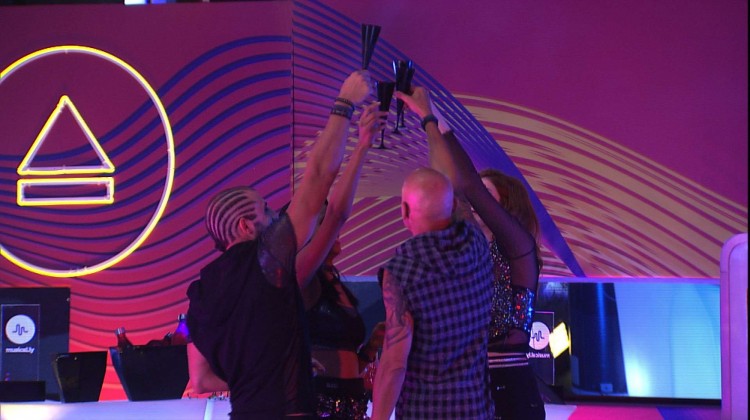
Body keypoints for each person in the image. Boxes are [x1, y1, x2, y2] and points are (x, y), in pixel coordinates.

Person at [184, 69, 371, 419]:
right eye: (267, 211)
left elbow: (202, 376)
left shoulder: (201, 295)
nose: (275, 217)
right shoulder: (266, 263)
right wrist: (345, 103)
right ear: (245, 226)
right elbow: (318, 177)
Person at [395, 86, 545, 420]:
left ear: (503, 208)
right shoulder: (467, 258)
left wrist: (431, 116)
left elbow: (467, 185)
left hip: (511, 388)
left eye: (486, 198)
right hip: (469, 389)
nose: (471, 205)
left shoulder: (519, 252)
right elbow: (451, 186)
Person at [371, 167, 495, 420]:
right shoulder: (477, 244)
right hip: (476, 409)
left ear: (404, 211)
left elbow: (394, 364)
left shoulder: (401, 272)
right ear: (454, 205)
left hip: (423, 411)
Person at [294, 102, 386, 419]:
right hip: (315, 403)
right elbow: (336, 212)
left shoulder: (335, 281)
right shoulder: (302, 277)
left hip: (351, 403)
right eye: (322, 225)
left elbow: (346, 363)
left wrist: (370, 348)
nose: (331, 230)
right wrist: (361, 147)